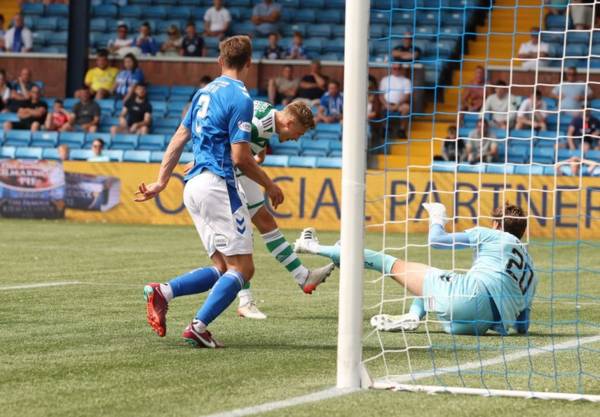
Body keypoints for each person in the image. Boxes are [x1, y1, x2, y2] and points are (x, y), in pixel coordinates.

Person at [136, 36, 285, 348]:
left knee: (222, 267)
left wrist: (161, 181)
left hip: (192, 187)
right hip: (218, 185)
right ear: (249, 64)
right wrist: (269, 184)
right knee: (243, 269)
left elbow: (179, 136)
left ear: (220, 61)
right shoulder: (241, 98)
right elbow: (240, 157)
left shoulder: (203, 93)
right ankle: (198, 327)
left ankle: (164, 292)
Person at [182, 100, 334, 319]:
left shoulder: (268, 113)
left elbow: (239, 126)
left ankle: (302, 277)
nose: (297, 138)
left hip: (232, 167)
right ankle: (245, 300)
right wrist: (269, 184)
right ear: (289, 123)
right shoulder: (260, 125)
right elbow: (234, 144)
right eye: (298, 133)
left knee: (265, 222)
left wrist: (259, 153)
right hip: (224, 172)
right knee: (240, 235)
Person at [296, 201, 537, 336]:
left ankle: (311, 246)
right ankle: (413, 315)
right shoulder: (532, 270)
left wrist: (437, 216)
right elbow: (522, 325)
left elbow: (436, 241)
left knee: (388, 263)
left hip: (468, 295)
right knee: (434, 284)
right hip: (477, 324)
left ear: (496, 224)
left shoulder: (492, 235)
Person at [379, 63, 411, 137]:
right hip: (387, 103)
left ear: (401, 69)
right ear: (391, 69)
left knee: (406, 108)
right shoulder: (385, 80)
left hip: (400, 104)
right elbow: (380, 95)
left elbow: (407, 96)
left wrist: (397, 105)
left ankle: (402, 130)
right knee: (381, 108)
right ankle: (385, 128)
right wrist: (386, 104)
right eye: (394, 68)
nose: (396, 70)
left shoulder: (406, 81)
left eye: (398, 68)